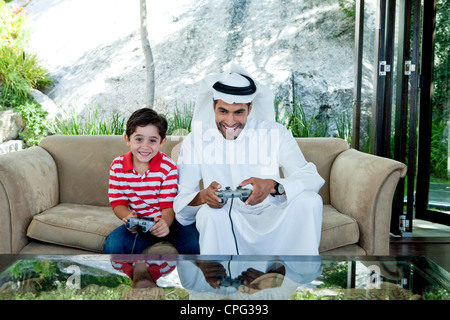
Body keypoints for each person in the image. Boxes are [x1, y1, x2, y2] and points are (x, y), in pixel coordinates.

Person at [173, 64, 325, 255]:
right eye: (223, 111)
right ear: (213, 105)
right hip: (226, 217)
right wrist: (203, 197)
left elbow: (311, 177)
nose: (230, 121)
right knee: (209, 214)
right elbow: (181, 206)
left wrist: (272, 185)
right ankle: (220, 282)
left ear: (250, 107)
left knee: (310, 201)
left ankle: (294, 275)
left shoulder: (275, 133)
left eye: (238, 112)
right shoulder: (195, 140)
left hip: (271, 215)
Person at [104, 108, 199, 254]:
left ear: (162, 142)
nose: (145, 146)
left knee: (194, 243)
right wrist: (127, 217)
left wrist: (164, 224)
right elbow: (118, 202)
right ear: (127, 139)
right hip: (140, 222)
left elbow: (168, 205)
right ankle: (128, 276)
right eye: (139, 139)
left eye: (152, 140)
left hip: (171, 221)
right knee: (113, 244)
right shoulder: (118, 165)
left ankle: (192, 276)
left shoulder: (168, 167)